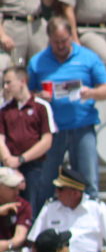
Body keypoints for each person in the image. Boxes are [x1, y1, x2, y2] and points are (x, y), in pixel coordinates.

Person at [27, 17, 106, 209]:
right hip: (51, 131)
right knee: (46, 182)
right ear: (49, 39)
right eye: (56, 42)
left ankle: (92, 226)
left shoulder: (88, 58)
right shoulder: (37, 62)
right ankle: (41, 231)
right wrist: (39, 96)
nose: (60, 46)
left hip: (82, 126)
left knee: (89, 181)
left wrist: (90, 93)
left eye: (64, 41)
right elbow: (27, 95)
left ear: (71, 37)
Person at [0, 65, 54, 214]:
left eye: (9, 82)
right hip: (9, 166)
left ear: (22, 81)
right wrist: (8, 159)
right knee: (9, 207)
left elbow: (46, 140)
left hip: (34, 167)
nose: (6, 86)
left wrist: (22, 159)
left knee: (32, 207)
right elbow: (0, 137)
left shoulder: (41, 107)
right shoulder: (4, 109)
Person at [0, 167, 31, 252]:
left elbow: (19, 237)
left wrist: (5, 245)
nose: (17, 191)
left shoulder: (23, 205)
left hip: (13, 251)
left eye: (17, 187)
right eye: (12, 188)